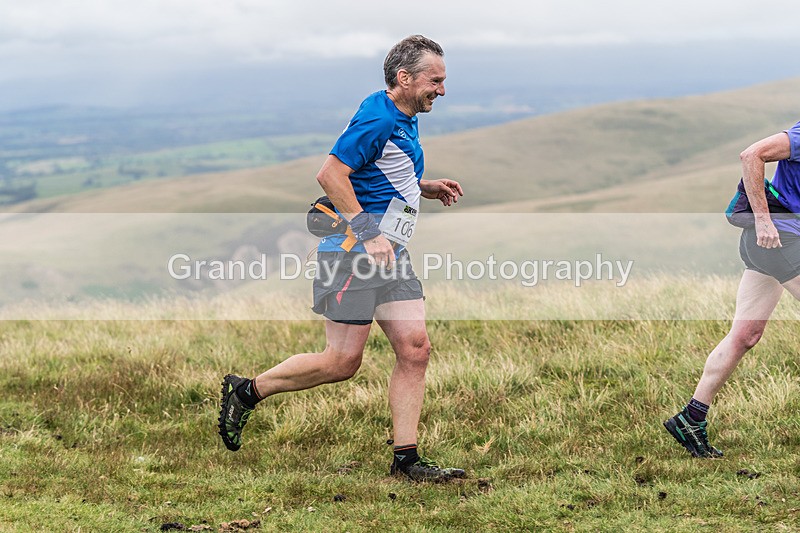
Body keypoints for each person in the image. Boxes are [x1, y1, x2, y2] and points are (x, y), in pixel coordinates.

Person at [218, 35, 466, 481]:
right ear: (404, 78)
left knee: (415, 349)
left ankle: (406, 461)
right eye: (436, 80)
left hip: (391, 253)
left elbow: (378, 169)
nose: (442, 91)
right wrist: (367, 231)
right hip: (351, 254)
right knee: (341, 362)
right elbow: (330, 173)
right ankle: (247, 391)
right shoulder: (377, 116)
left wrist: (421, 186)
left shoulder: (404, 115)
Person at [664, 121, 800, 457]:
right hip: (778, 238)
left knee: (746, 335)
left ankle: (691, 418)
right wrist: (764, 220)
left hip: (773, 245)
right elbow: (751, 154)